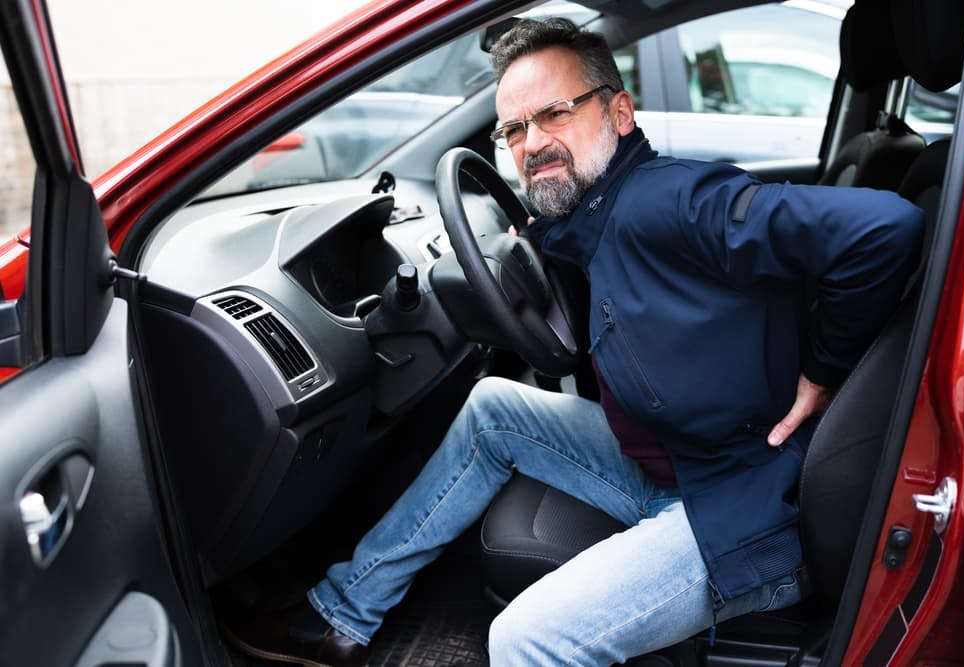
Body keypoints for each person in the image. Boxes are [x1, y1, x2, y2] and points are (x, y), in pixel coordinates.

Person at [230, 17, 924, 667]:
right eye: (514, 131)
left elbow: (883, 230)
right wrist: (519, 244)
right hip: (678, 468)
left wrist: (822, 369)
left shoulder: (673, 201)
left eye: (555, 113)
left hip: (740, 515)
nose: (532, 144)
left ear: (619, 114)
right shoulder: (598, 209)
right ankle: (344, 614)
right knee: (492, 408)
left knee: (527, 640)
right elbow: (571, 234)